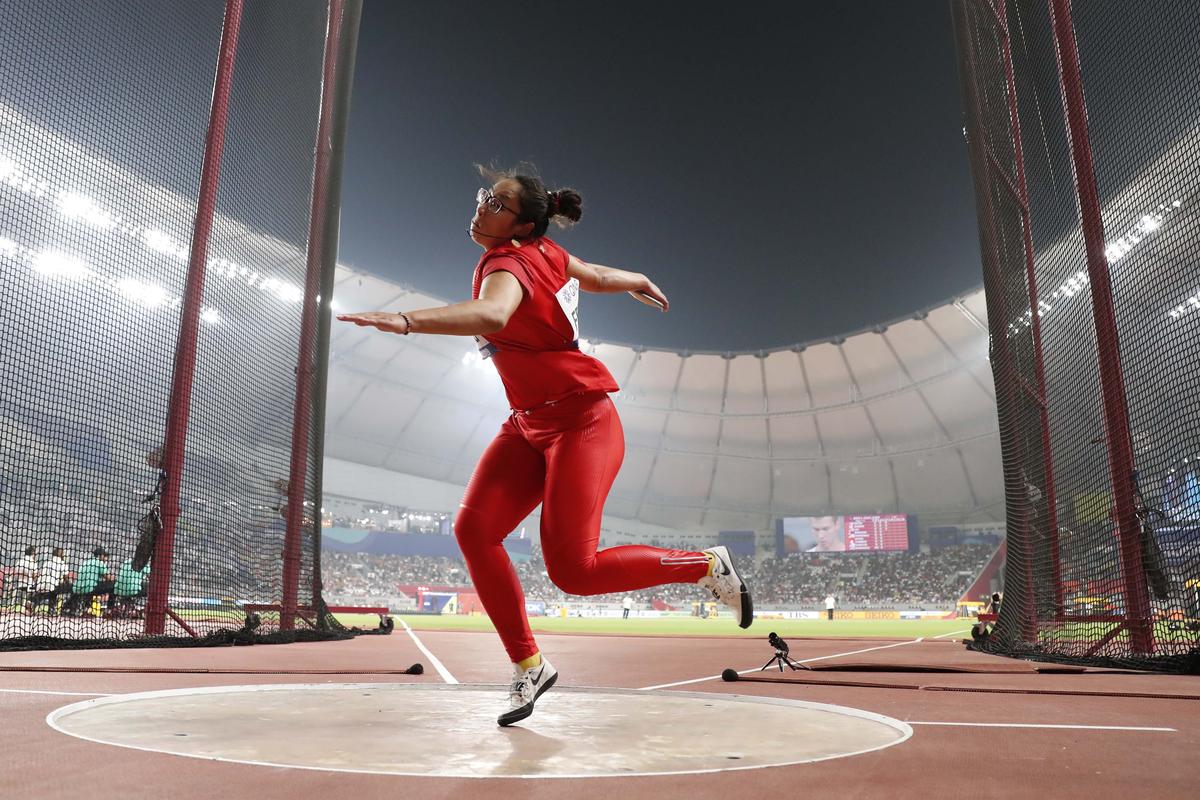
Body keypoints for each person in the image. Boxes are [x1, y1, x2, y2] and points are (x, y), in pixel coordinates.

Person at [339, 167, 753, 726]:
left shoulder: (505, 263)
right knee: (474, 530)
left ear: (522, 224)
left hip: (584, 422)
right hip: (529, 425)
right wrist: (636, 278)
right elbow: (594, 273)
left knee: (574, 571)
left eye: (497, 202)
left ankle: (703, 565)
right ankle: (528, 665)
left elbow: (491, 314)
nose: (482, 205)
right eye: (486, 196)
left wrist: (406, 319)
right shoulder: (546, 251)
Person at [30, 547, 68, 614]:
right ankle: (60, 608)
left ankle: (32, 603)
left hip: (40, 585)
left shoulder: (47, 562)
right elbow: (66, 578)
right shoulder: (62, 563)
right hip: (52, 588)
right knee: (66, 588)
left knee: (43, 591)